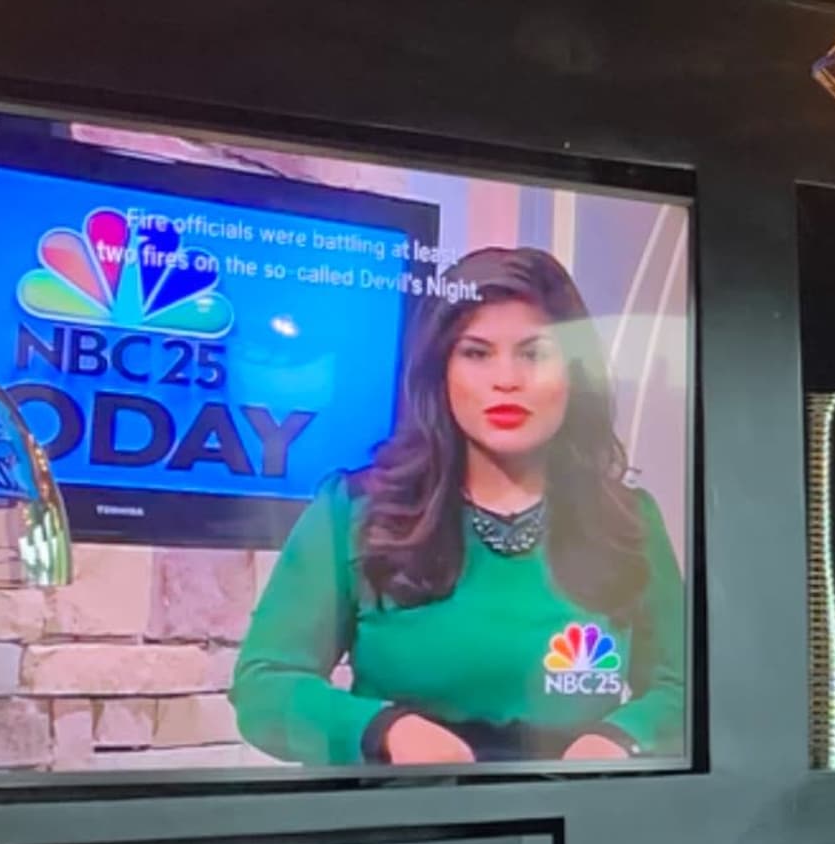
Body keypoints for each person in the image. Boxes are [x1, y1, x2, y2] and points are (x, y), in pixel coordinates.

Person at [230, 244, 689, 772]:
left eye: (534, 352)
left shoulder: (627, 519)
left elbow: (683, 687)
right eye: (476, 352)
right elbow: (266, 685)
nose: (507, 380)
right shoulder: (353, 513)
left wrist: (620, 738)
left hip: (584, 822)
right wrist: (384, 731)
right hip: (407, 827)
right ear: (440, 371)